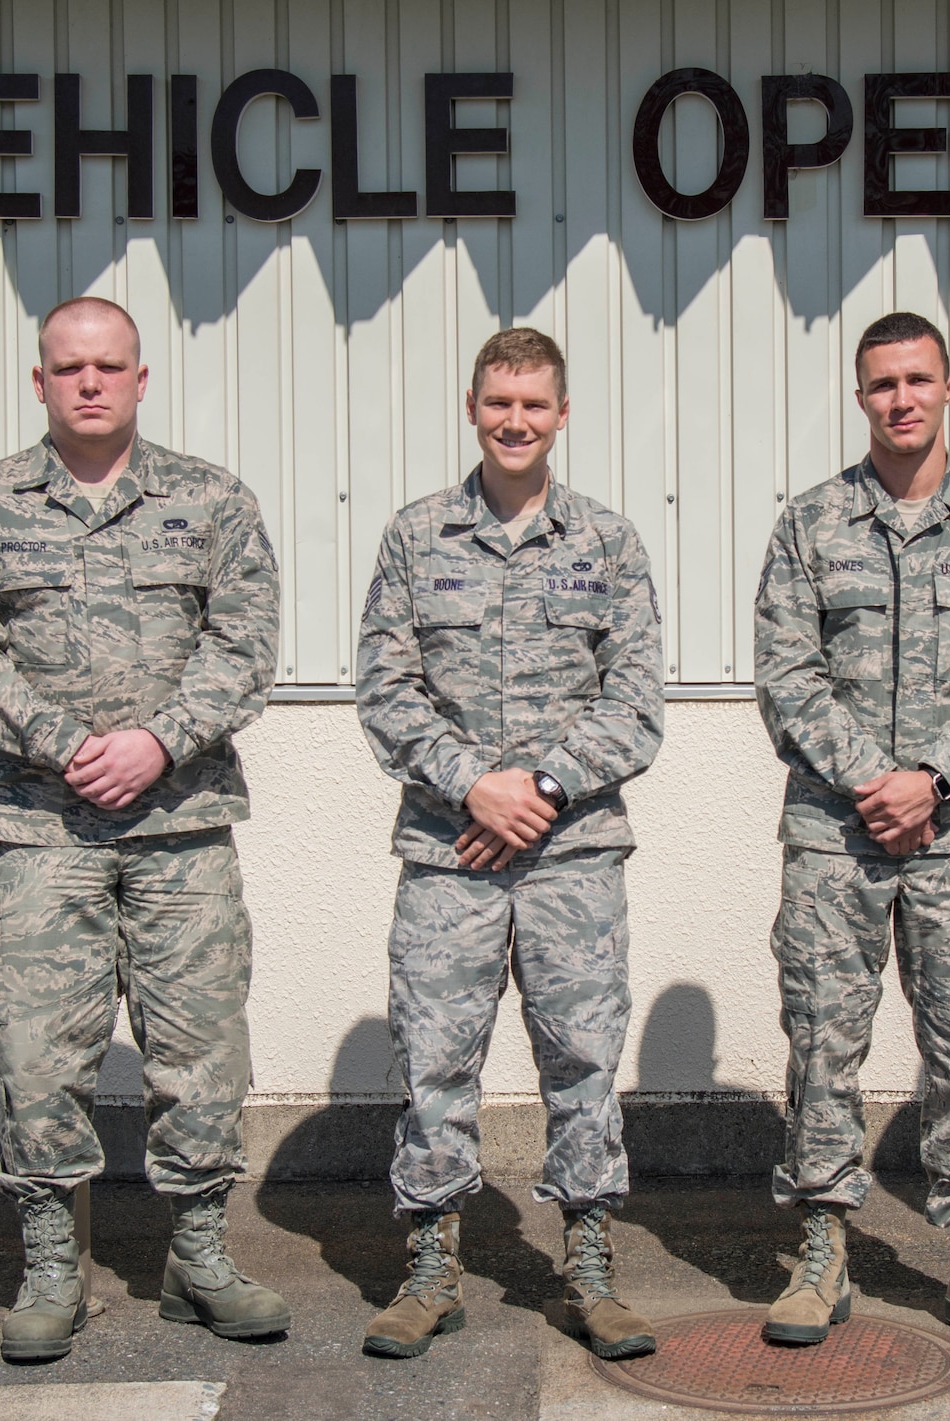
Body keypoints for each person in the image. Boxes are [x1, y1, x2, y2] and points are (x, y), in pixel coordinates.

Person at [0, 296, 288, 1362]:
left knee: (202, 1045)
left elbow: (244, 641)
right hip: (37, 826)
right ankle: (50, 1261)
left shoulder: (209, 501)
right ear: (39, 381)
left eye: (107, 366)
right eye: (68, 367)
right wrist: (70, 740)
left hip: (180, 820)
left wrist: (160, 740)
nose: (88, 383)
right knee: (37, 1049)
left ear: (138, 378)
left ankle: (199, 1254)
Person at [751, 311, 950, 1358]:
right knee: (823, 1040)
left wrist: (933, 778)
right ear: (859, 394)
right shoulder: (809, 523)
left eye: (916, 379)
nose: (900, 399)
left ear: (948, 385)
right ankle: (823, 1244)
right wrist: (869, 779)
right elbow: (785, 676)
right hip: (834, 834)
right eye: (880, 383)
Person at [355, 327, 665, 1363]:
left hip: (571, 852)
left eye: (533, 404)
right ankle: (432, 1264)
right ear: (473, 406)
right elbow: (385, 691)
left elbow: (636, 705)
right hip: (449, 853)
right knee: (435, 1058)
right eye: (498, 402)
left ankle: (586, 1264)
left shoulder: (608, 543)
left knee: (581, 1060)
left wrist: (534, 787)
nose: (515, 420)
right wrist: (469, 786)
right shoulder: (414, 537)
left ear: (561, 412)